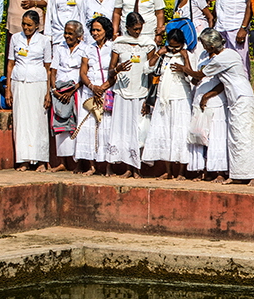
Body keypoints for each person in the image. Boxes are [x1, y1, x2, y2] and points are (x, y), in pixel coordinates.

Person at [189, 28, 254, 185]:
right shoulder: (225, 55)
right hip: (234, 99)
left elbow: (200, 74)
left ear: (210, 45)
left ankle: (253, 175)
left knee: (244, 136)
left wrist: (184, 69)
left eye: (204, 44)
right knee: (235, 137)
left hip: (242, 97)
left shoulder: (224, 57)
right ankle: (237, 173)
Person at [106, 12, 158, 177]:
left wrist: (149, 98)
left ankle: (137, 168)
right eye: (134, 29)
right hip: (122, 93)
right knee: (124, 130)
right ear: (127, 28)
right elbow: (110, 71)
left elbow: (152, 72)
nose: (137, 32)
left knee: (138, 130)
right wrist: (118, 69)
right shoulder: (119, 44)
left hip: (141, 92)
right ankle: (128, 168)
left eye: (140, 29)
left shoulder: (147, 44)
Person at [142, 28, 194, 179]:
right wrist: (160, 53)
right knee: (163, 133)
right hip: (163, 99)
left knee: (180, 133)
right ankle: (168, 171)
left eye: (176, 47)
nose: (173, 49)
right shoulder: (163, 55)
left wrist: (184, 63)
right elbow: (147, 68)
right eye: (171, 46)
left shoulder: (187, 55)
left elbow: (193, 78)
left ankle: (181, 172)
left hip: (181, 98)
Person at [5, 9, 52, 170]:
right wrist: (8, 89)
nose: (26, 28)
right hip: (19, 82)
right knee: (22, 120)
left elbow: (48, 68)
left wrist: (48, 92)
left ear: (37, 25)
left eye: (30, 25)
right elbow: (10, 64)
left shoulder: (44, 41)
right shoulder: (16, 39)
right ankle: (23, 159)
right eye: (24, 24)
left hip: (38, 82)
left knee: (38, 120)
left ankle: (40, 160)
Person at [186, 41, 230, 182]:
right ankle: (203, 170)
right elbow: (195, 79)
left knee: (216, 137)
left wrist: (207, 96)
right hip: (199, 99)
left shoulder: (223, 58)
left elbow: (223, 83)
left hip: (215, 102)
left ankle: (219, 172)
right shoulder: (203, 57)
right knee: (201, 135)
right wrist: (194, 76)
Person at [77, 15, 114, 174]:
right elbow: (83, 72)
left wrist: (104, 87)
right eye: (93, 30)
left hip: (107, 89)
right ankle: (92, 166)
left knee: (107, 127)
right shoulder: (87, 48)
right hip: (90, 91)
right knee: (89, 127)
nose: (95, 33)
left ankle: (108, 167)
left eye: (98, 30)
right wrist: (93, 87)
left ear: (106, 31)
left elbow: (115, 71)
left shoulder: (113, 47)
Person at [49, 19, 86, 172]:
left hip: (76, 90)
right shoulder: (60, 48)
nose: (66, 36)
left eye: (70, 33)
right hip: (59, 90)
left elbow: (84, 73)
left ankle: (77, 163)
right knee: (60, 125)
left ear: (79, 36)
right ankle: (63, 162)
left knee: (75, 125)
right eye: (65, 33)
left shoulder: (85, 49)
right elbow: (53, 70)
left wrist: (72, 90)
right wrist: (54, 90)